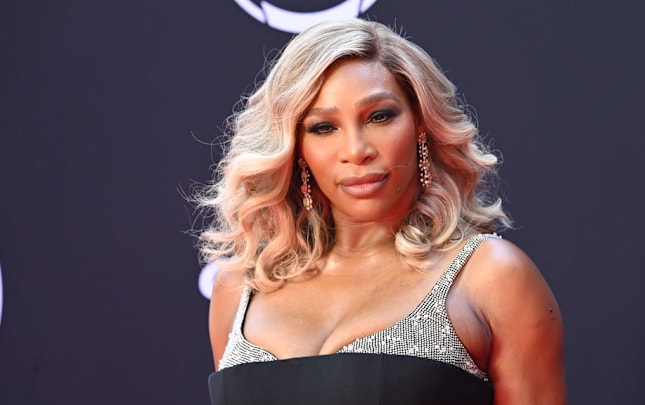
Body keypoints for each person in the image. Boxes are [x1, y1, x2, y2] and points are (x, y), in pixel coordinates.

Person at [199, 18, 565, 405]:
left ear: (420, 123)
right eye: (323, 127)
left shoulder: (490, 277)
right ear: (296, 146)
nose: (356, 151)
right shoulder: (239, 288)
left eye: (379, 116)